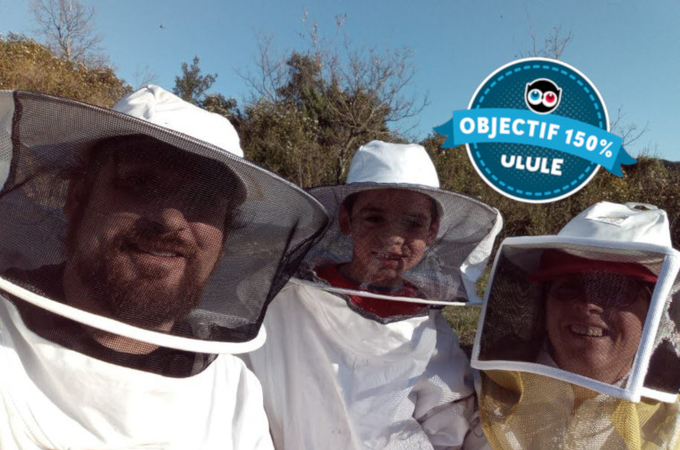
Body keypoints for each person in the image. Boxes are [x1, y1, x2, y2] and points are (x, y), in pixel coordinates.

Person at [0, 86, 328, 449]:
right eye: (140, 182)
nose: (171, 221)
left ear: (223, 239)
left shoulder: (233, 392)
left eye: (204, 198)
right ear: (78, 197)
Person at [247, 140, 502, 449]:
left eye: (413, 223)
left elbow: (448, 424)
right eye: (374, 218)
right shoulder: (285, 305)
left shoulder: (432, 332)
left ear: (432, 231)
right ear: (346, 220)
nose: (393, 239)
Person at [473, 202, 680, 449]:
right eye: (568, 287)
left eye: (614, 290)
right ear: (543, 302)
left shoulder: (672, 423)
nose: (587, 304)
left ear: (657, 310)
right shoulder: (465, 391)